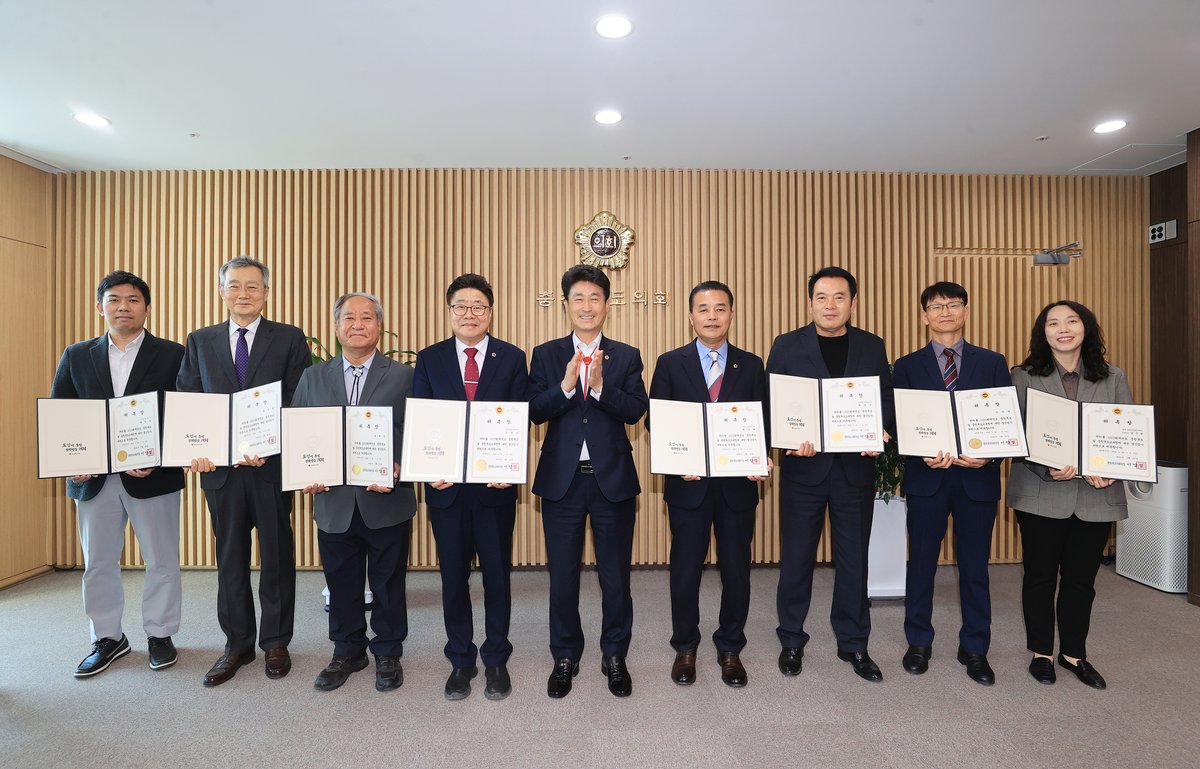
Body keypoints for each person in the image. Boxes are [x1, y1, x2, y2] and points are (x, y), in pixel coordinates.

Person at [176, 256, 311, 687]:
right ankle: (237, 645)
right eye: (234, 286)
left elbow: (299, 397)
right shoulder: (200, 340)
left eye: (253, 286)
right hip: (221, 472)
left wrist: (268, 441)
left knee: (276, 557)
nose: (243, 294)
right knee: (229, 559)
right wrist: (196, 449)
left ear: (266, 293)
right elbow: (189, 398)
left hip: (271, 468)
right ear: (221, 292)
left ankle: (276, 642)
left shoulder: (289, 338)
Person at [50, 271, 186, 678]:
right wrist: (71, 463)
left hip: (153, 477)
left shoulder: (173, 354)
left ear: (147, 308)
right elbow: (62, 415)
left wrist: (158, 457)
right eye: (114, 299)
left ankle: (160, 634)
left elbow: (183, 415)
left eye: (133, 300)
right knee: (98, 562)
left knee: (162, 560)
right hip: (93, 480)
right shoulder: (76, 354)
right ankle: (107, 638)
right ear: (100, 307)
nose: (123, 306)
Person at [766, 266, 894, 682]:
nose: (830, 305)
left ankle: (854, 643)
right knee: (796, 559)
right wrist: (785, 438)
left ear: (853, 303)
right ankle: (791, 639)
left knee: (854, 561)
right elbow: (773, 403)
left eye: (839, 297)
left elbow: (885, 400)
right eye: (821, 297)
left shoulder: (871, 346)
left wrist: (879, 432)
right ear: (810, 303)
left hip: (854, 470)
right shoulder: (786, 345)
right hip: (804, 470)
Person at [529, 264, 648, 698]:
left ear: (607, 305)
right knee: (562, 576)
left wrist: (599, 388)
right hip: (562, 482)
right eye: (578, 298)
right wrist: (565, 387)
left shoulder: (626, 355)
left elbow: (636, 410)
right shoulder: (546, 354)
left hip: (610, 481)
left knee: (615, 576)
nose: (586, 306)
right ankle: (565, 654)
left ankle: (614, 654)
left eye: (594, 298)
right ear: (565, 305)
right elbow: (533, 411)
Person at [412, 273, 530, 701]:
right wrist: (428, 468)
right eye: (460, 306)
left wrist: (510, 466)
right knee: (453, 577)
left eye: (478, 306)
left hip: (494, 489)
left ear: (490, 312)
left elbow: (519, 418)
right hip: (446, 490)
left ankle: (496, 657)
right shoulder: (430, 359)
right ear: (449, 312)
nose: (469, 313)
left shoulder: (511, 358)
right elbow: (421, 419)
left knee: (497, 576)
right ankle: (461, 659)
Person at [647, 280, 769, 688]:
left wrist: (761, 455)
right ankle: (685, 646)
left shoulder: (751, 364)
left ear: (731, 314)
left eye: (720, 308)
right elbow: (656, 420)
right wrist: (676, 458)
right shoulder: (670, 363)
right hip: (689, 485)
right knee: (685, 570)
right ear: (691, 316)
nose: (712, 316)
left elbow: (762, 419)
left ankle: (730, 646)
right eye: (703, 309)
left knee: (736, 569)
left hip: (737, 486)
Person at [292, 292, 415, 692]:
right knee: (341, 579)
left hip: (386, 499)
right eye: (349, 317)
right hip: (334, 500)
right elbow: (300, 433)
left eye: (366, 317)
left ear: (379, 326)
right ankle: (347, 650)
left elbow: (416, 432)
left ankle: (388, 650)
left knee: (388, 581)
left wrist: (401, 467)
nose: (357, 324)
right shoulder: (313, 377)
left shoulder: (403, 376)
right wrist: (305, 470)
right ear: (336, 326)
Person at [1008, 300, 1130, 690]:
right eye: (1053, 323)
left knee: (1081, 579)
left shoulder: (1113, 376)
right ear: (1042, 333)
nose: (1063, 329)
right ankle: (1041, 652)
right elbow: (1014, 435)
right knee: (1040, 576)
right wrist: (1046, 466)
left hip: (1096, 496)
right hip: (1040, 491)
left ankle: (1074, 653)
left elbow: (1125, 433)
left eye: (1072, 321)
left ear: (1086, 328)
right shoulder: (1023, 376)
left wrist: (1109, 467)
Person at [892, 281, 1010, 685]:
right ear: (924, 315)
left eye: (953, 305)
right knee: (921, 564)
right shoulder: (906, 366)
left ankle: (975, 647)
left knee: (975, 566)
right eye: (936, 306)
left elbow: (1004, 418)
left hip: (977, 479)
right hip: (928, 478)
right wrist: (918, 452)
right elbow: (899, 422)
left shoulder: (992, 362)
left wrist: (990, 455)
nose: (945, 312)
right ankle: (918, 642)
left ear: (966, 311)